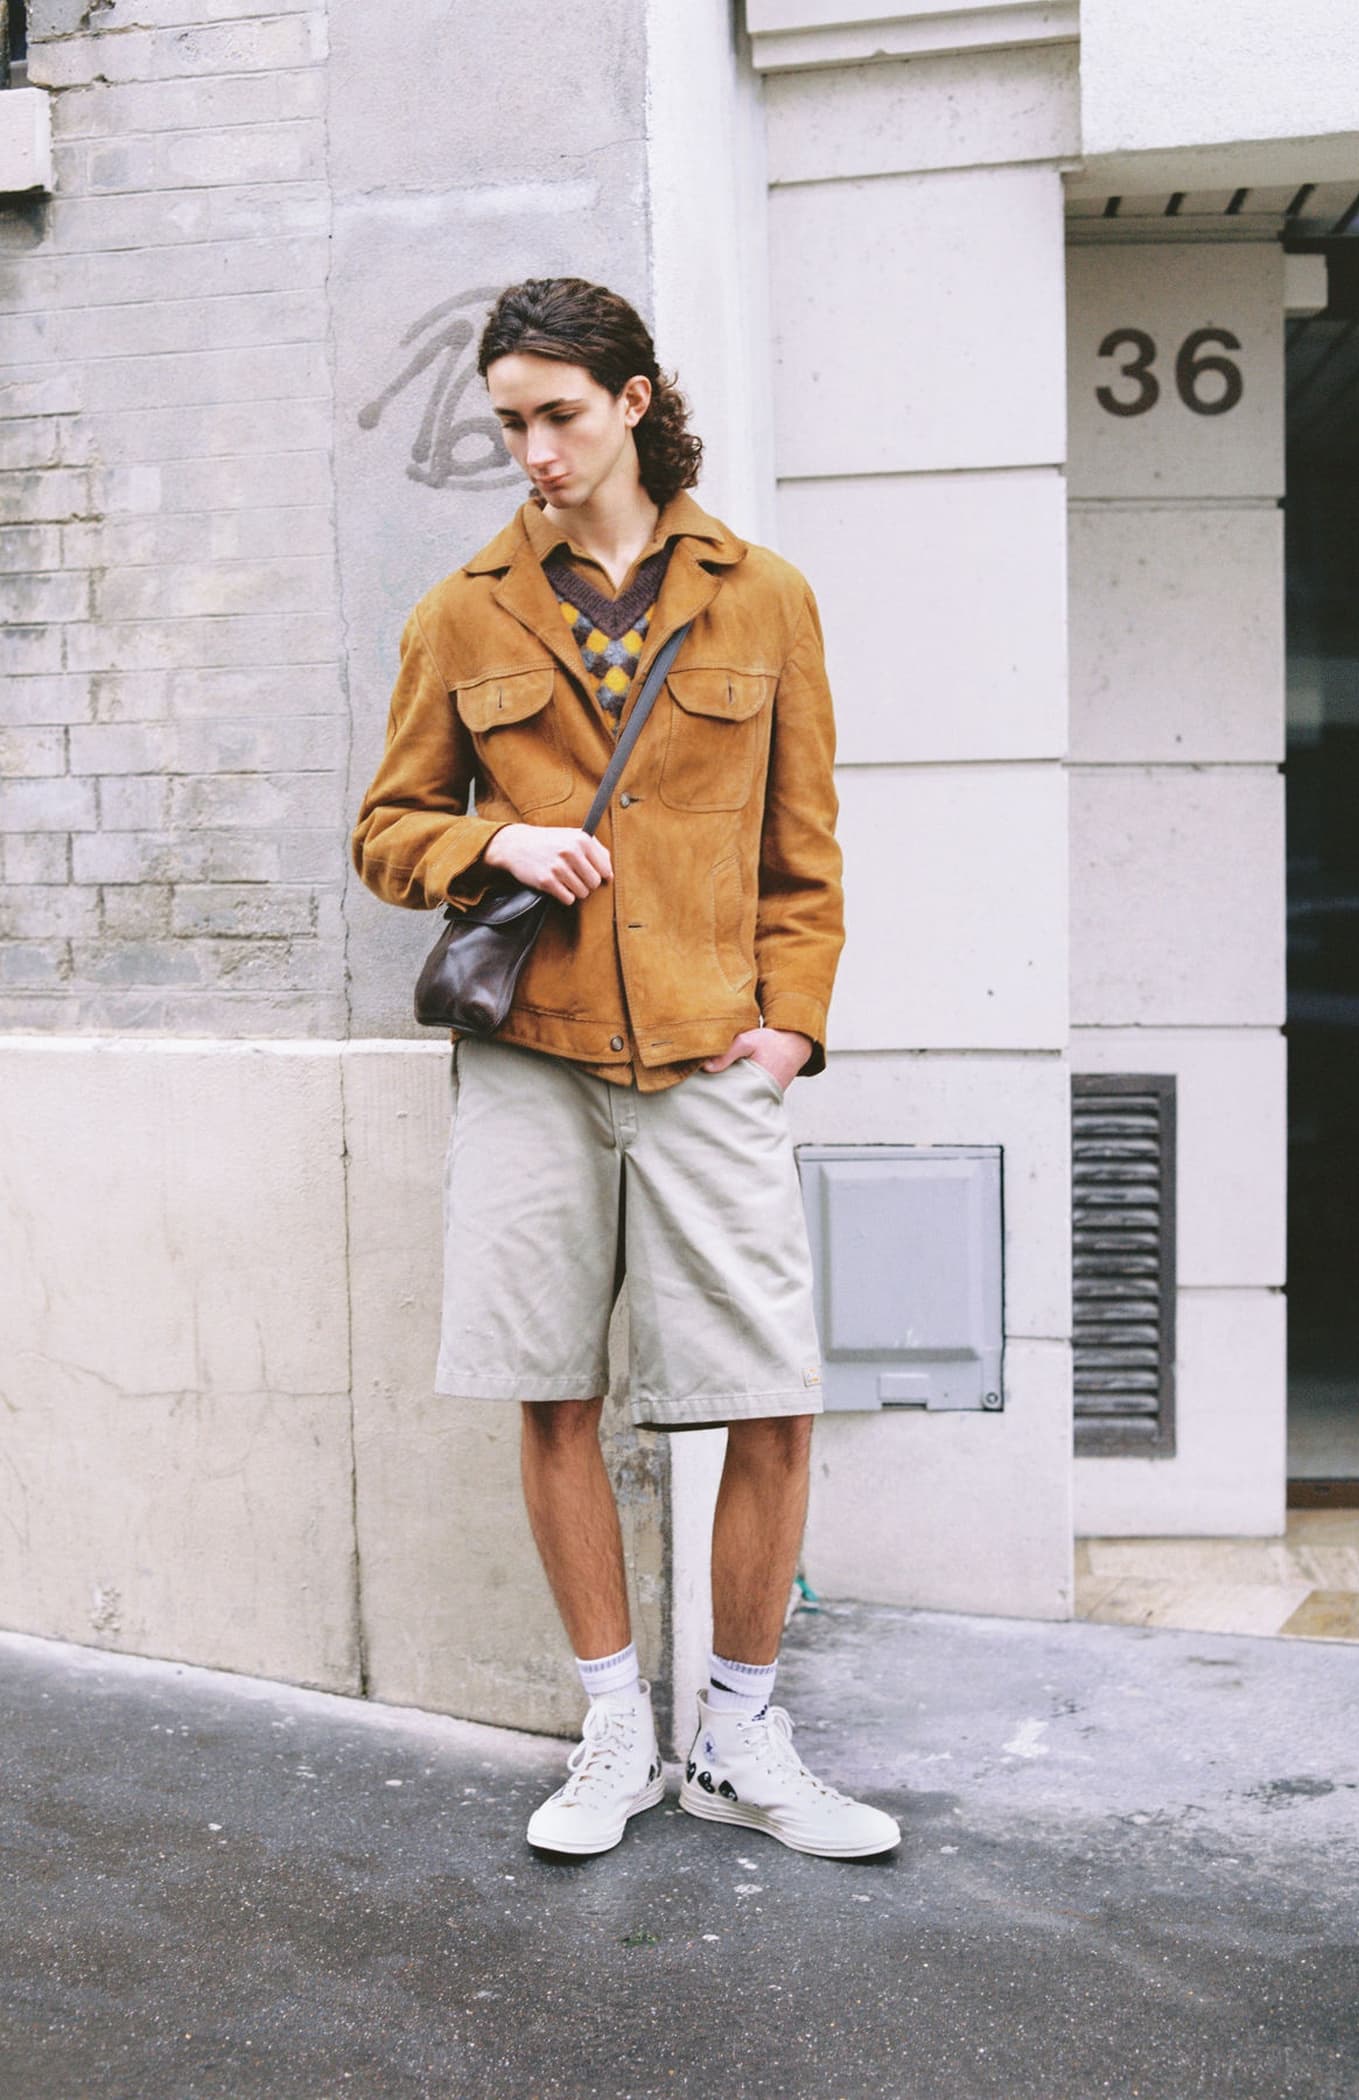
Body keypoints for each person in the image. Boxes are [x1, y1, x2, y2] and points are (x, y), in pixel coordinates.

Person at [351, 277, 899, 1862]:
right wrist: (494, 841)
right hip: (535, 1057)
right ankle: (613, 1731)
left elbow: (806, 845)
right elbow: (386, 830)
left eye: (561, 416)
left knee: (772, 1401)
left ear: (635, 403)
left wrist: (789, 1024)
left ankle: (739, 1739)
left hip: (712, 1054)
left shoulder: (765, 598)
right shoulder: (462, 611)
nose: (534, 450)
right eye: (509, 422)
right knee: (554, 1394)